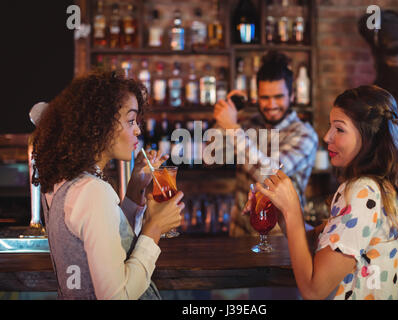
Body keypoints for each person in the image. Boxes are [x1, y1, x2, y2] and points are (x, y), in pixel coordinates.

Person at [249, 85, 398, 299]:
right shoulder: (379, 187)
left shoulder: (363, 192)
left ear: (369, 138)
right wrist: (283, 212)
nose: (327, 137)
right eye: (330, 127)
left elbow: (314, 290)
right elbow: (321, 247)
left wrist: (292, 211)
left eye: (339, 129)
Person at [31, 70, 184, 300]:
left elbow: (106, 242)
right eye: (130, 121)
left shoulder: (71, 183)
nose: (137, 130)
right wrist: (155, 228)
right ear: (99, 125)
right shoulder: (92, 191)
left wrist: (134, 190)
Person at [214, 50, 318, 237]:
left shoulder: (304, 134)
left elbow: (270, 174)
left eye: (278, 97)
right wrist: (226, 117)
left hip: (280, 239)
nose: (271, 105)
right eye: (264, 97)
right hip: (240, 234)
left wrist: (231, 127)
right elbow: (213, 158)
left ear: (292, 95)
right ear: (257, 96)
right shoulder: (247, 126)